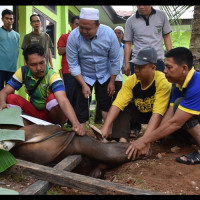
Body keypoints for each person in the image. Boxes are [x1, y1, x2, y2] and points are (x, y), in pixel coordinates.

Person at [126, 47, 200, 165]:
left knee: (180, 104)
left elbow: (175, 122)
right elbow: (170, 113)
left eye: (169, 67)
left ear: (184, 68)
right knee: (176, 106)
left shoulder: (197, 85)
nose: (164, 71)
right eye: (165, 66)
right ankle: (190, 140)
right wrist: (151, 139)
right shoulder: (178, 84)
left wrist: (144, 140)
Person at [0, 43, 85, 136]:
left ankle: (58, 127)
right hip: (32, 114)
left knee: (54, 99)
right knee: (11, 98)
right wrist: (2, 104)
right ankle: (25, 126)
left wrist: (76, 123)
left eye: (42, 63)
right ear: (27, 64)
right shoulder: (22, 72)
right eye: (33, 65)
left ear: (46, 60)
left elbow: (63, 100)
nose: (39, 68)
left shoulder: (52, 75)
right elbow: (4, 92)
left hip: (51, 116)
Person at [100, 47, 172, 144]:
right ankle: (122, 139)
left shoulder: (162, 81)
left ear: (153, 68)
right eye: (135, 66)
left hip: (159, 115)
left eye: (141, 67)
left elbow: (158, 112)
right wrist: (106, 127)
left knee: (169, 114)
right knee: (123, 106)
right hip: (141, 112)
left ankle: (163, 136)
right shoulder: (131, 80)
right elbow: (117, 104)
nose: (137, 70)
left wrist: (145, 140)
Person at [66, 8, 120, 128]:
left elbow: (115, 60)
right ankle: (81, 134)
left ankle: (107, 134)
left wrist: (112, 81)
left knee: (105, 103)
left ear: (98, 26)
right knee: (81, 105)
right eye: (81, 27)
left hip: (104, 74)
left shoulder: (109, 34)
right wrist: (83, 85)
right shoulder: (73, 37)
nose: (84, 31)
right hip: (83, 75)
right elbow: (73, 64)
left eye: (88, 29)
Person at [123, 5, 172, 137]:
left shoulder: (162, 16)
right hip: (138, 62)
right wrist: (127, 63)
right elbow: (128, 43)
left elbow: (166, 36)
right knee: (136, 93)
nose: (141, 6)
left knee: (162, 92)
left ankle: (161, 127)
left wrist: (170, 57)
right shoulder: (130, 21)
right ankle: (135, 127)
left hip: (159, 61)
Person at [94, 25, 125, 123]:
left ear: (122, 35)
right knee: (104, 98)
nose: (117, 35)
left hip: (118, 77)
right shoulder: (107, 45)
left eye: (119, 33)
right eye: (115, 32)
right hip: (106, 76)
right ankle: (98, 119)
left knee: (117, 99)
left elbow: (123, 62)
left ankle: (115, 120)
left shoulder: (124, 48)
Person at [57, 16, 79, 110]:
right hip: (68, 70)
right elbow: (60, 51)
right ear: (71, 25)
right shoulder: (64, 36)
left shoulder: (83, 39)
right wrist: (71, 46)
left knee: (78, 96)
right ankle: (67, 118)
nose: (78, 27)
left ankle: (76, 118)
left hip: (81, 71)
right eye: (76, 24)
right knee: (69, 94)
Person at [0, 9, 20, 91]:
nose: (9, 20)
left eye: (11, 19)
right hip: (0, 68)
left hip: (12, 68)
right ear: (2, 19)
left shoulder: (17, 35)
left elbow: (16, 51)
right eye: (6, 18)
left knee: (10, 92)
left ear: (13, 20)